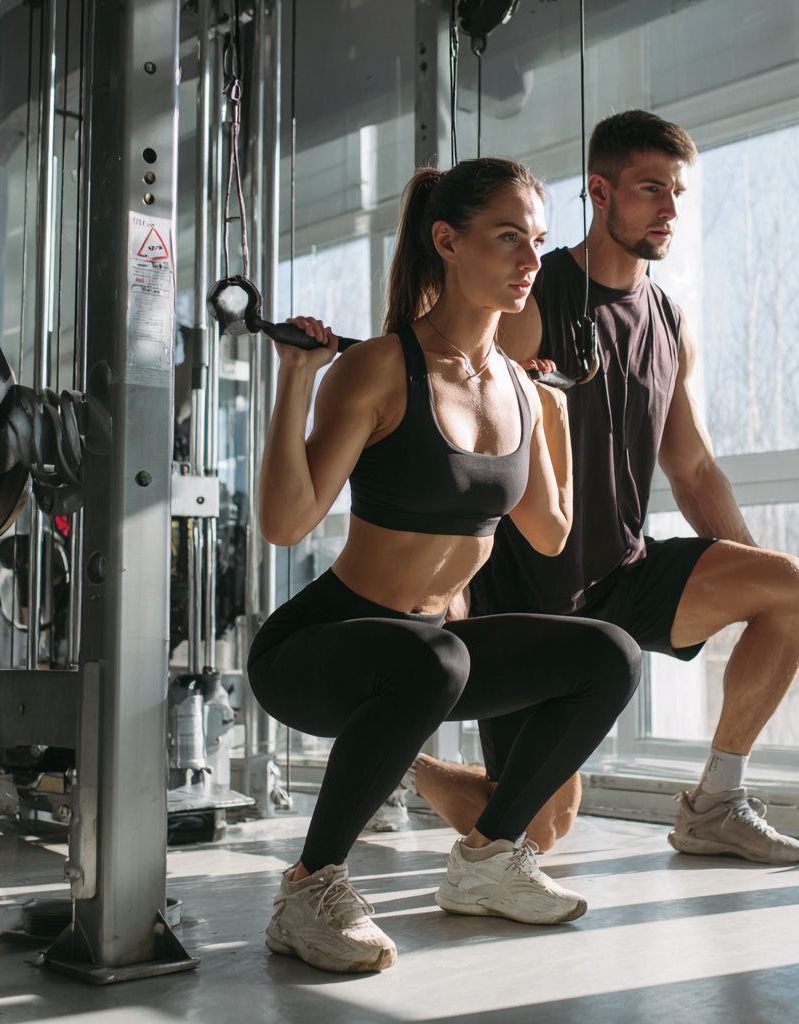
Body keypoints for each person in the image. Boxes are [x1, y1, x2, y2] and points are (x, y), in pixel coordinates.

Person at [247, 157, 642, 975]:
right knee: (439, 656)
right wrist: (294, 382)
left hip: (432, 658)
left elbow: (548, 531)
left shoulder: (522, 392)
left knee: (611, 655)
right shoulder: (380, 367)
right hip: (320, 650)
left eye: (537, 241)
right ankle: (309, 889)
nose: (531, 260)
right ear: (446, 242)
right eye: (507, 239)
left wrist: (554, 418)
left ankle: (490, 861)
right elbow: (286, 523)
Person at [412, 110, 799, 866]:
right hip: (526, 602)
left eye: (677, 193)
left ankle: (715, 804)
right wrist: (445, 594)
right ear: (599, 192)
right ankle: (409, 765)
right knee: (541, 831)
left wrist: (746, 582)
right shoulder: (533, 301)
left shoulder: (668, 319)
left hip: (623, 575)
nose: (670, 209)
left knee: (793, 588)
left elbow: (693, 468)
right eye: (650, 190)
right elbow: (461, 446)